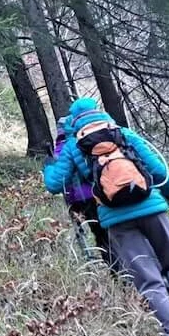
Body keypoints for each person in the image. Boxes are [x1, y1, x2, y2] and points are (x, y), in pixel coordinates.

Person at [44, 97, 169, 336]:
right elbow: (159, 171)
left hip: (115, 218)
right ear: (98, 113)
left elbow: (55, 184)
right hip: (152, 208)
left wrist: (48, 167)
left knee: (149, 281)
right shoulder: (123, 134)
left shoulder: (72, 146)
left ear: (72, 121)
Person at [54, 116, 118, 271]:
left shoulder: (62, 148)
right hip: (99, 195)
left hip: (79, 200)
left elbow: (58, 179)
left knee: (100, 236)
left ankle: (116, 272)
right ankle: (123, 269)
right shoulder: (88, 141)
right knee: (110, 233)